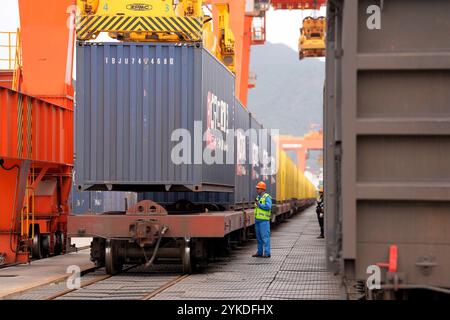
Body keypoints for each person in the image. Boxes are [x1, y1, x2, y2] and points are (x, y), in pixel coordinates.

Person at [252, 181, 272, 258]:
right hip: (257, 220)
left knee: (265, 238)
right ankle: (259, 252)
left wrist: (259, 205)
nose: (257, 190)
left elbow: (268, 207)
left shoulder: (267, 197)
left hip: (264, 221)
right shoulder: (257, 198)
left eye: (258, 188)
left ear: (263, 189)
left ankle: (267, 253)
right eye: (257, 188)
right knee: (259, 238)